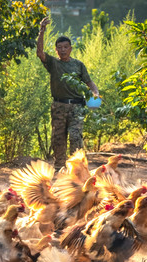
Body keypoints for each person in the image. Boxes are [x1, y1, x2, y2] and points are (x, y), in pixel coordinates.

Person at [37, 17, 99, 171]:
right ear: (56, 49)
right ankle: (59, 169)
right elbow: (39, 53)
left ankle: (77, 170)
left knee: (76, 138)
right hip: (58, 106)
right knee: (58, 139)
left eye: (66, 47)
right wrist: (42, 31)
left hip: (77, 106)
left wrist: (95, 93)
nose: (63, 49)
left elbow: (89, 82)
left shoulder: (78, 65)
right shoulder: (53, 63)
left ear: (70, 48)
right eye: (60, 47)